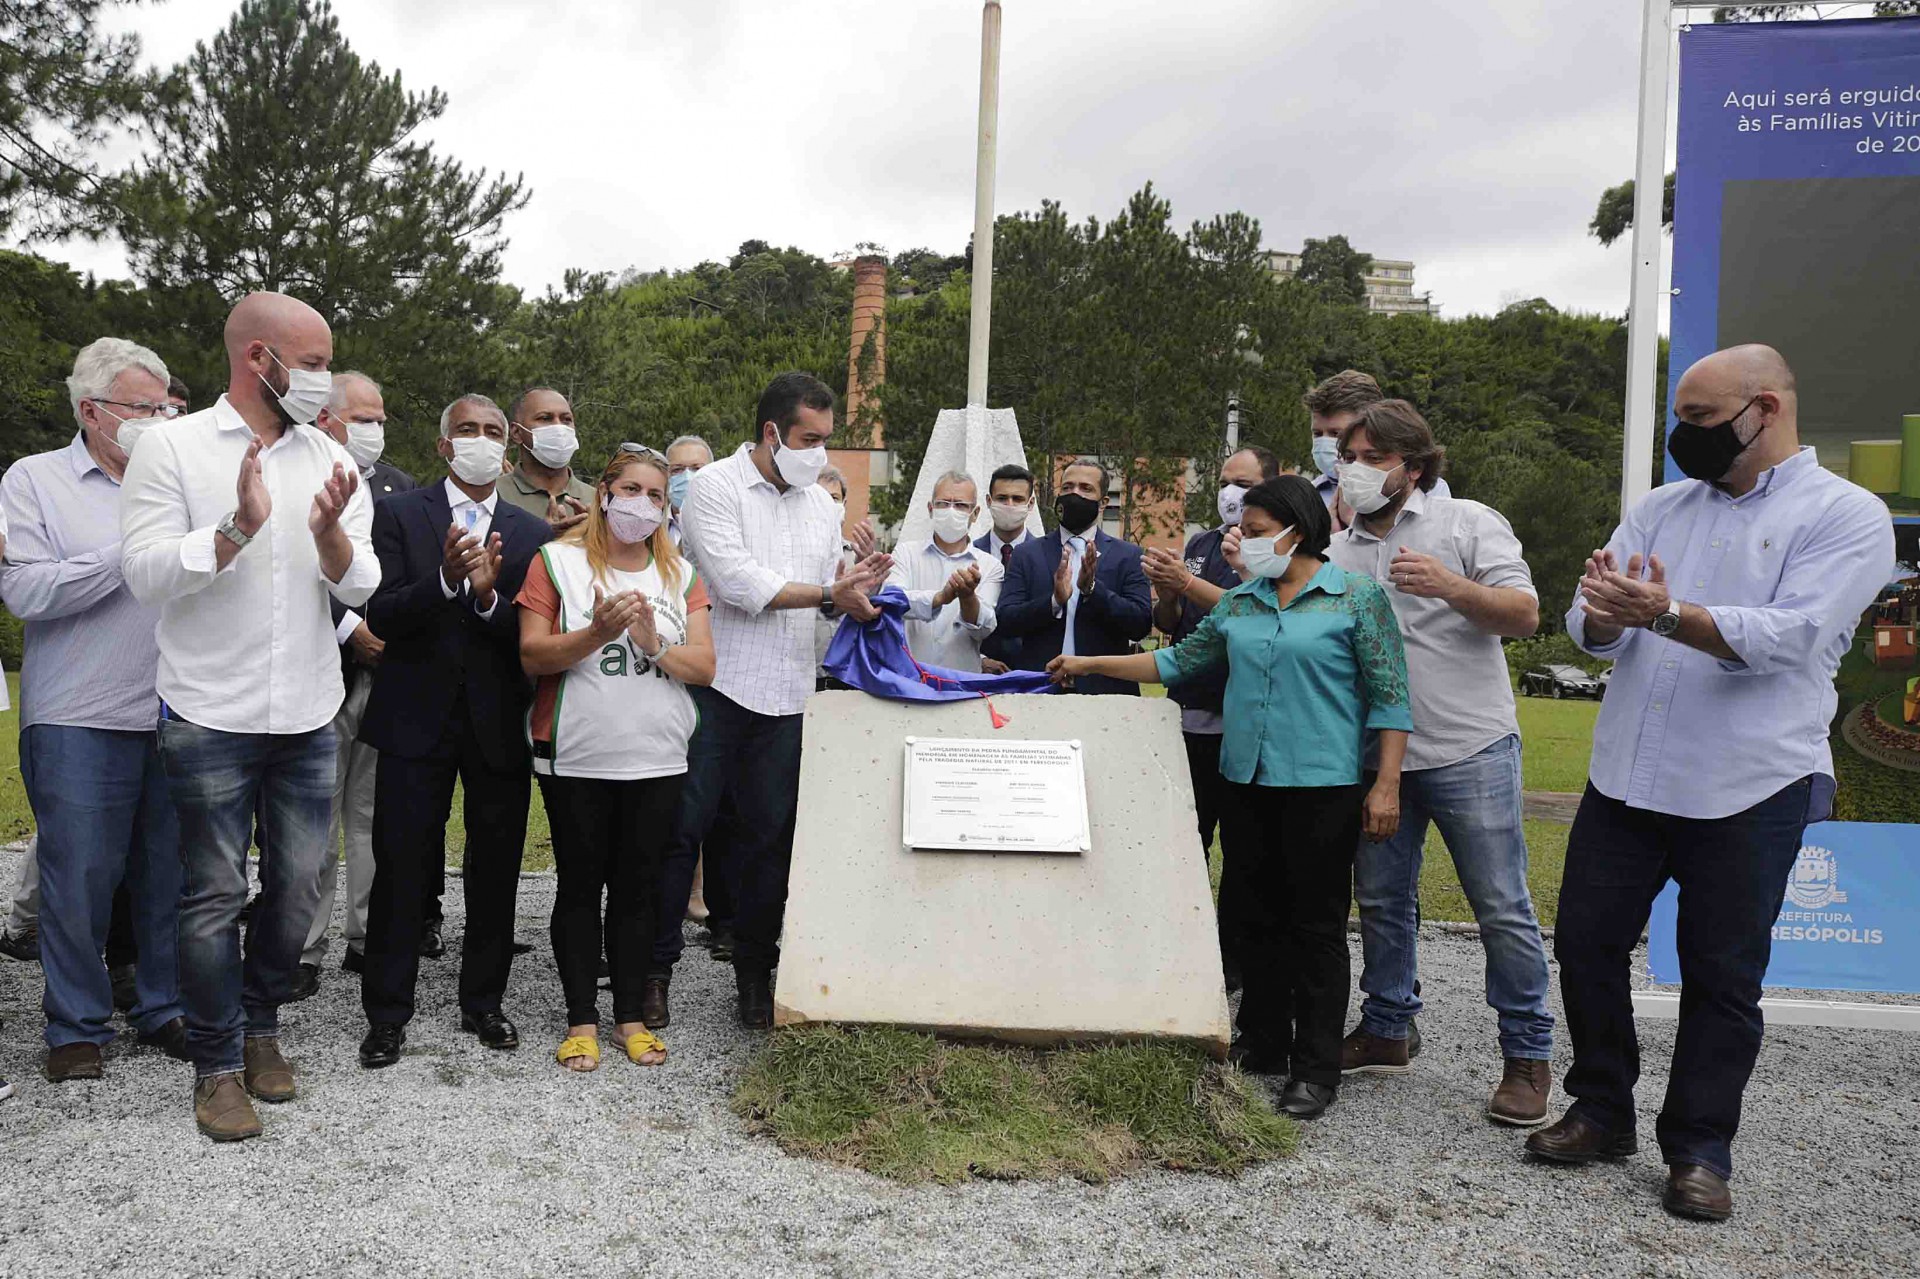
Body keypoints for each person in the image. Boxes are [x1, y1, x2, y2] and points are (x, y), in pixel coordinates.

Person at [1527, 345, 1893, 1222]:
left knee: (1722, 975)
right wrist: (1606, 615)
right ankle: (1602, 1106)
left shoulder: (1846, 515)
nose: (1681, 436)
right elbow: (1589, 621)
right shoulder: (1659, 507)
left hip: (1750, 782)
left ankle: (1698, 1147)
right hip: (1628, 774)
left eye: (1697, 419)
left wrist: (1666, 612)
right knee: (1584, 942)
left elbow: (1793, 636)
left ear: (1764, 408)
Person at [1047, 475, 1412, 1119]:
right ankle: (1264, 1042)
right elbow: (1177, 663)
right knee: (1253, 916)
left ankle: (1316, 1066)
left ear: (1299, 530)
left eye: (1261, 530)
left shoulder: (1356, 599)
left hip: (1322, 786)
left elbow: (1390, 697)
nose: (1246, 541)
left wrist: (1386, 783)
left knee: (1316, 926)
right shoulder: (1242, 603)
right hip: (1244, 779)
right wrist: (1089, 664)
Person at [121, 291, 378, 1142]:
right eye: (311, 362)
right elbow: (146, 575)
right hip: (208, 709)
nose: (324, 380)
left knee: (299, 883)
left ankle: (261, 1020)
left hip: (306, 708)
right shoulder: (169, 445)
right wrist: (234, 528)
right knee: (215, 891)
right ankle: (217, 1064)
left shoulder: (328, 457)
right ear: (258, 357)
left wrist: (333, 536)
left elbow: (361, 583)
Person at [1324, 400, 1555, 1126]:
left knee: (1500, 904)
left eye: (1369, 457)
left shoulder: (1467, 523)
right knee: (1385, 901)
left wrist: (1450, 585)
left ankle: (1527, 1054)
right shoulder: (1339, 548)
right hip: (1379, 752)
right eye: (1346, 456)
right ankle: (1388, 1027)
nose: (1353, 469)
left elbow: (1524, 614)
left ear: (1412, 467)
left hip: (1469, 745)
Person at [653, 372, 890, 1029]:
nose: (820, 452)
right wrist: (827, 594)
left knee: (769, 842)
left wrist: (860, 595)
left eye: (826, 439)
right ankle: (654, 970)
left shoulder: (820, 504)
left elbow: (823, 595)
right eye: (809, 438)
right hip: (716, 687)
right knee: (682, 832)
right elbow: (735, 582)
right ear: (771, 432)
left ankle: (755, 975)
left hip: (788, 696)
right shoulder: (714, 488)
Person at [2, 337, 190, 1082]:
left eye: (166, 406)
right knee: (78, 876)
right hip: (77, 713)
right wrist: (130, 550)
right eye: (145, 407)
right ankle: (76, 1023)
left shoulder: (179, 482)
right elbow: (25, 591)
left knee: (169, 876)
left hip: (176, 707)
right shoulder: (33, 481)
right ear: (92, 410)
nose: (160, 418)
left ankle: (162, 1005)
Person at [354, 394, 551, 1070]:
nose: (480, 440)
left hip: (497, 722)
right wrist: (444, 578)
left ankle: (484, 1001)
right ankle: (386, 1013)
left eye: (492, 431)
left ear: (508, 446)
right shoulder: (400, 514)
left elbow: (532, 636)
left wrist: (491, 596)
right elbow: (380, 610)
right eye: (466, 429)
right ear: (444, 445)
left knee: (494, 869)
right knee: (402, 868)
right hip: (414, 716)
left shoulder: (533, 534)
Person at [518, 446, 716, 1071]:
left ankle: (629, 1013)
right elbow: (533, 656)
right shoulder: (557, 562)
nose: (644, 505)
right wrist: (597, 634)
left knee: (639, 889)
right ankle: (581, 1019)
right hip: (577, 755)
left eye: (656, 496)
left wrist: (654, 645)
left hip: (656, 757)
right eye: (631, 490)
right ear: (604, 492)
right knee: (580, 886)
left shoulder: (679, 574)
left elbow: (704, 669)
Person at [289, 373, 419, 1000]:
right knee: (314, 822)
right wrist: (348, 630)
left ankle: (366, 936)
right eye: (363, 418)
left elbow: (400, 576)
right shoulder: (297, 473)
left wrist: (385, 633)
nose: (375, 430)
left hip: (386, 676)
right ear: (326, 419)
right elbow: (297, 573)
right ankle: (304, 947)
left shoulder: (397, 487)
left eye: (381, 417)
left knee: (369, 817)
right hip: (324, 672)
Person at [1141, 444, 1280, 989]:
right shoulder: (1199, 543)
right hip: (1187, 715)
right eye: (1224, 481)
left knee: (1243, 853)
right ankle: (1183, 948)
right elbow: (1171, 624)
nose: (1230, 493)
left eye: (1243, 484)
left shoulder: (1273, 550)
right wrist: (1167, 590)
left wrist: (1195, 582)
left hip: (1240, 723)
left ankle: (1234, 963)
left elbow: (1259, 613)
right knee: (1184, 842)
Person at [995, 458, 1151, 694]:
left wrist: (1093, 590)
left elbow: (1140, 625)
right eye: (1067, 487)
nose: (1074, 494)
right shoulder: (1027, 554)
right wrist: (1054, 602)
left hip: (1105, 692)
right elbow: (1006, 620)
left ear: (1103, 503)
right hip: (1039, 690)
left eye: (1085, 488)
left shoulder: (1128, 556)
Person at [885, 471, 1003, 673]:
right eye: (943, 503)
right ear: (930, 509)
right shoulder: (905, 553)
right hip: (908, 680)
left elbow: (985, 628)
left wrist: (967, 597)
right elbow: (892, 601)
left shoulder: (990, 565)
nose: (951, 510)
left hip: (961, 685)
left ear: (974, 514)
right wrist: (939, 598)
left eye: (960, 505)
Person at [1303, 370, 1450, 531]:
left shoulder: (1426, 491)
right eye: (1317, 434)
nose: (1326, 442)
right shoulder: (1306, 498)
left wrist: (1354, 525)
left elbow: (1432, 548)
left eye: (1337, 434)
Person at [498, 387, 594, 533]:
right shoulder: (492, 495)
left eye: (566, 420)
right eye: (545, 418)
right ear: (517, 432)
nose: (559, 427)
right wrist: (543, 536)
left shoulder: (596, 499)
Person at [975, 463, 1036, 674]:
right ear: (989, 501)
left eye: (1017, 499)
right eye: (1002, 498)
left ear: (1031, 504)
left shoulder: (1048, 556)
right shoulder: (968, 555)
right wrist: (978, 660)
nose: (1009, 505)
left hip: (1031, 674)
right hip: (976, 672)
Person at [664, 434, 714, 546]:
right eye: (677, 469)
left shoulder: (727, 523)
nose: (687, 476)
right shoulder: (652, 526)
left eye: (697, 468)